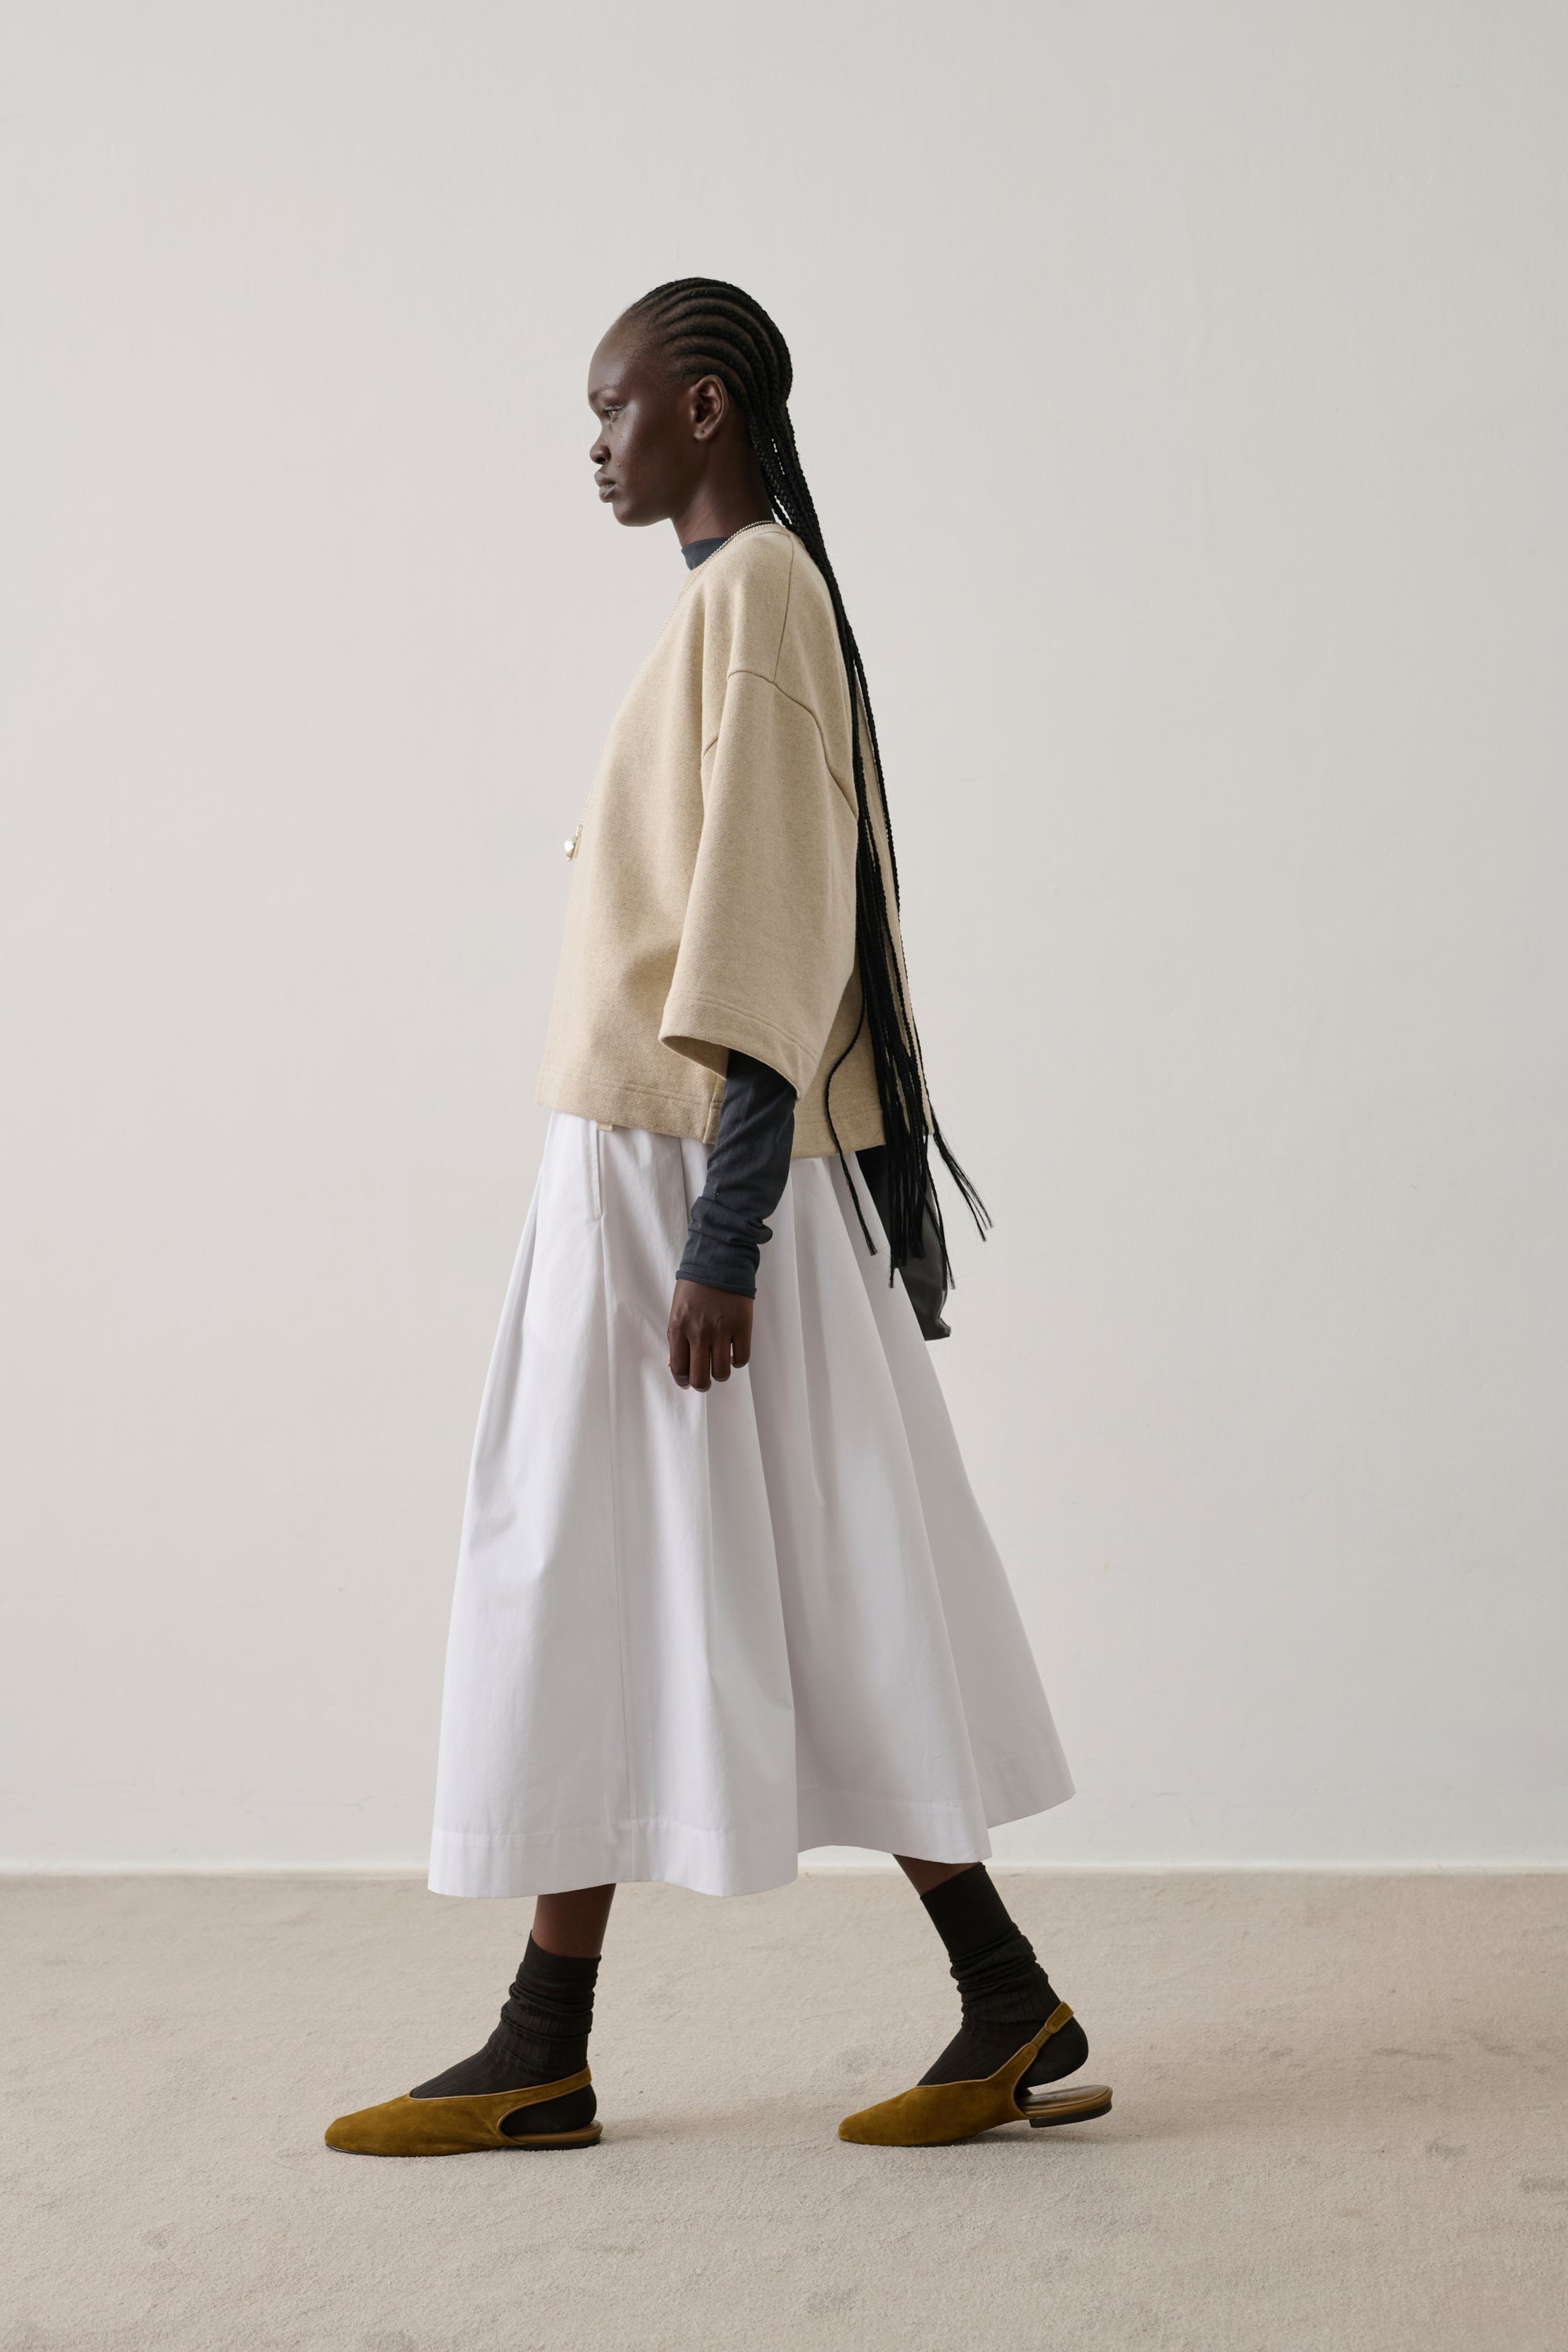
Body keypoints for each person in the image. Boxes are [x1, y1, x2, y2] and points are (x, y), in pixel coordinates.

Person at [325, 278, 1109, 2158]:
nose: (591, 447)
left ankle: (560, 2045)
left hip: (680, 1173)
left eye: (610, 410)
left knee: (618, 1571)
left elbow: (771, 915)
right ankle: (953, 2002)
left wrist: (723, 1236)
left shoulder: (754, 593)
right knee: (702, 1576)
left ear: (699, 407)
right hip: (649, 1164)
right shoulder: (738, 598)